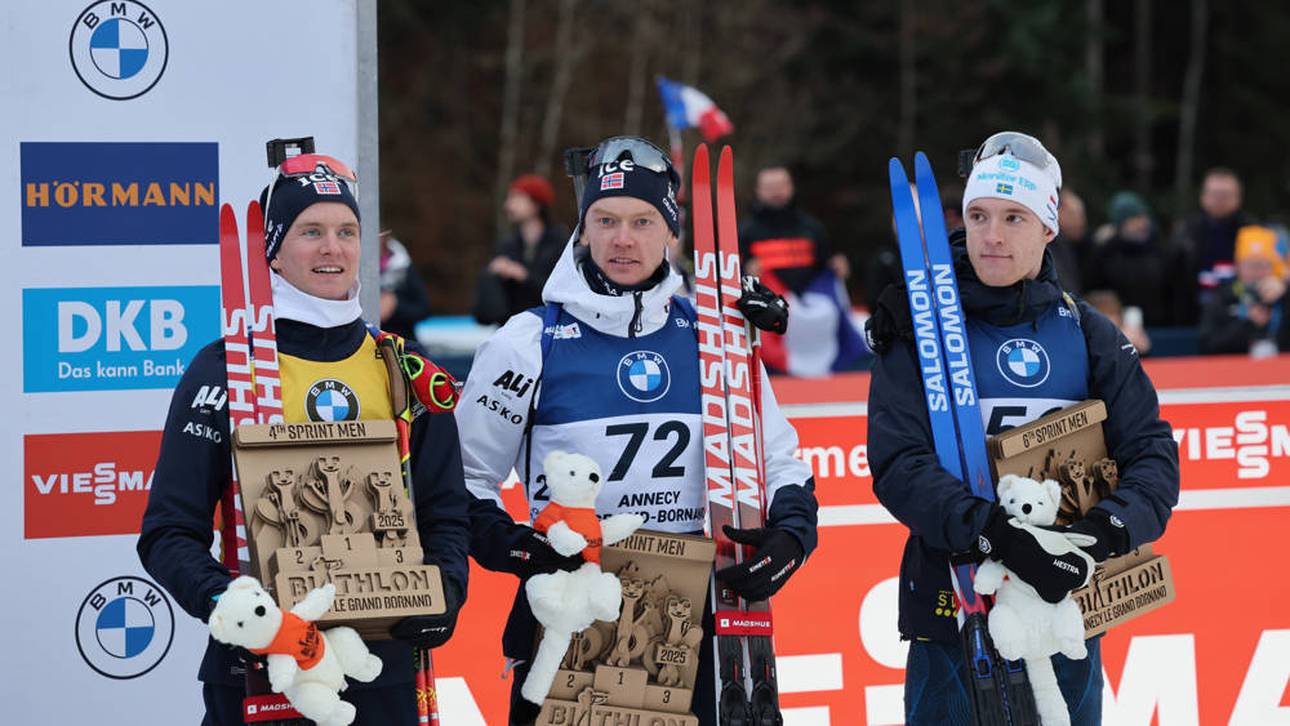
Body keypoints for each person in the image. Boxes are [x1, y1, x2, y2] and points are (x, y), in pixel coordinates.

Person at [455, 136, 818, 725]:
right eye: (606, 219)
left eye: (643, 221)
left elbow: (776, 458)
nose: (623, 239)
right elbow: (468, 475)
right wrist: (518, 548)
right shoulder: (528, 341)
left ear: (670, 231)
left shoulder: (714, 335)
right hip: (573, 608)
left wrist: (794, 533)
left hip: (688, 618)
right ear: (583, 228)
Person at [137, 153, 472, 725]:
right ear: (273, 249)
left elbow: (444, 510)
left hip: (384, 665)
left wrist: (446, 588)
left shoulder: (400, 367)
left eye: (346, 232)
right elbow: (168, 532)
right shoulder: (225, 369)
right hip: (260, 666)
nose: (332, 249)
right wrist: (230, 602)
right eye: (310, 231)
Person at [865, 132, 1180, 726]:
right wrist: (994, 534)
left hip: (1063, 611)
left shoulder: (1089, 333)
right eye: (979, 215)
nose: (991, 235)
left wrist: (1102, 535)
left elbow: (1153, 455)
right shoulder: (915, 328)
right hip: (952, 603)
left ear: (1049, 228)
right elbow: (898, 462)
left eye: (1014, 217)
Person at [738, 164, 866, 375]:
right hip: (769, 321)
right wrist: (746, 271)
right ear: (758, 191)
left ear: (791, 187)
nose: (777, 192)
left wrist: (838, 266)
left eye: (781, 185)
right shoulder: (746, 231)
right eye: (770, 187)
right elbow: (734, 274)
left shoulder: (811, 227)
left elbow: (826, 263)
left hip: (811, 315)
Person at [473, 173, 570, 325]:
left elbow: (564, 293)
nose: (508, 205)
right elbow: (487, 312)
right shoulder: (507, 245)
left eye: (516, 198)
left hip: (551, 329)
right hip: (512, 331)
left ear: (536, 204)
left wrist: (523, 275)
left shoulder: (561, 242)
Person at [1174, 167, 1253, 321]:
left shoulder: (1254, 232)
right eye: (1214, 194)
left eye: (1225, 195)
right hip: (1192, 317)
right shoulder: (1186, 231)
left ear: (1238, 198)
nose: (1219, 200)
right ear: (1203, 196)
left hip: (1242, 317)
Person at [1199, 224, 1290, 356]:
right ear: (1238, 266)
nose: (1256, 272)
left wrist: (1286, 292)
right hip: (1234, 371)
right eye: (1249, 265)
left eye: (1263, 264)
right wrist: (1247, 321)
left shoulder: (1283, 296)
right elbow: (1208, 346)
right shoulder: (1224, 297)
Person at [379, 229, 434, 341]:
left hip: (403, 342)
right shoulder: (351, 272)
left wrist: (395, 306)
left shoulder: (403, 267)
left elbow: (423, 309)